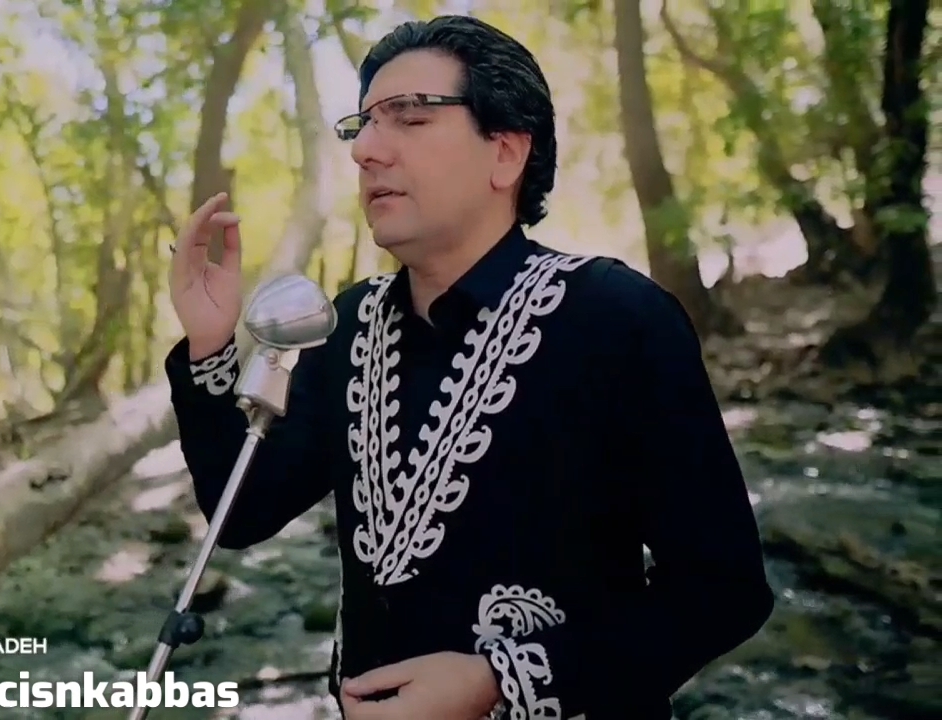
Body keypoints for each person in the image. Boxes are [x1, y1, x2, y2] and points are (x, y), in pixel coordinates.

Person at [163, 14, 774, 720]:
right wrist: (210, 344)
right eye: (362, 124)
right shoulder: (348, 324)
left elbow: (723, 590)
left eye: (410, 117)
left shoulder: (617, 319)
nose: (365, 149)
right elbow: (241, 512)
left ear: (505, 153)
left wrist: (503, 679)